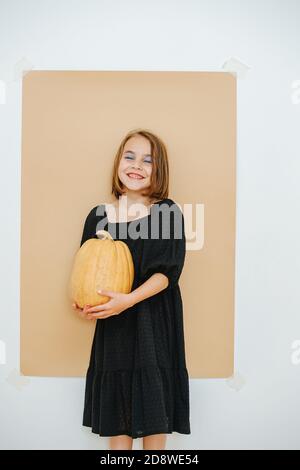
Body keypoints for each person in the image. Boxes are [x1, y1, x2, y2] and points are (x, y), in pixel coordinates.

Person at [72, 128, 191, 450]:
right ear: (118, 162)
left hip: (154, 321)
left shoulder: (167, 211)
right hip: (115, 325)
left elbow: (167, 273)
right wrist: (85, 302)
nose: (136, 165)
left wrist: (128, 300)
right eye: (130, 156)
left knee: (154, 411)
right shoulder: (97, 217)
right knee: (118, 413)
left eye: (148, 160)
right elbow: (88, 270)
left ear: (159, 170)